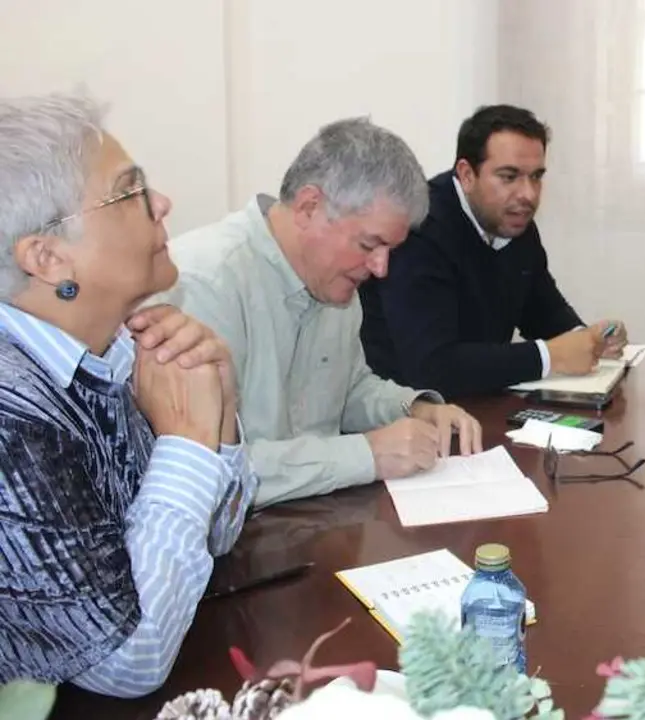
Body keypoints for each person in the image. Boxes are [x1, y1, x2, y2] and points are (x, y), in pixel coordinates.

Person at [0, 94, 257, 696]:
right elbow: (128, 662)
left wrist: (216, 411)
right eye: (131, 191)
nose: (161, 203)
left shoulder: (113, 349)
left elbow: (216, 539)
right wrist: (187, 446)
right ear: (47, 257)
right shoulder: (12, 413)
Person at [157, 117, 481, 508]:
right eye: (369, 245)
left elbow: (349, 389)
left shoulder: (335, 281)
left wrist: (414, 408)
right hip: (235, 538)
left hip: (316, 519)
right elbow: (205, 468)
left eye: (389, 251)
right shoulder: (203, 283)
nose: (380, 268)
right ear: (309, 207)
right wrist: (367, 454)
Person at [358, 104, 627, 399]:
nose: (528, 194)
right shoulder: (419, 228)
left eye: (536, 176)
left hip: (479, 404)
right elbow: (432, 367)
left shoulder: (513, 222)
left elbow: (542, 310)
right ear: (466, 174)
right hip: (401, 412)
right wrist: (551, 356)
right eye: (509, 177)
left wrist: (588, 339)